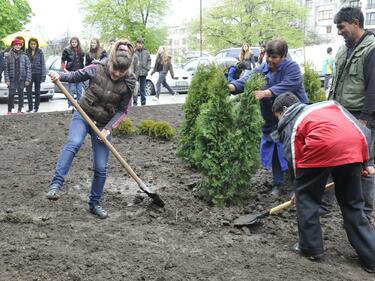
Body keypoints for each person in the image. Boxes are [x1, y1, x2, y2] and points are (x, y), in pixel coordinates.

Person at [272, 92, 375, 273]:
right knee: (353, 205)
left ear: (285, 110)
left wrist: (298, 189)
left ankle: (311, 248)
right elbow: (361, 130)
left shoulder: (292, 120)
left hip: (319, 150)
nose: (279, 121)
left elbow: (293, 157)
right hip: (352, 151)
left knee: (307, 200)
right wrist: (365, 162)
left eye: (278, 117)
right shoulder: (331, 106)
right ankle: (371, 258)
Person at [46, 40, 137, 219]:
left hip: (103, 124)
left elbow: (123, 110)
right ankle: (56, 185)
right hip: (83, 114)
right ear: (111, 62)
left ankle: (94, 204)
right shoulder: (96, 68)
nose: (118, 74)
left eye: (122, 71)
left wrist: (108, 129)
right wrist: (58, 76)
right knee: (74, 142)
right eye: (115, 69)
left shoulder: (129, 83)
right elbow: (74, 76)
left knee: (101, 167)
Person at [228, 39, 308, 196]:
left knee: (294, 151)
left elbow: (288, 85)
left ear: (283, 56)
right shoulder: (263, 69)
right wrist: (233, 86)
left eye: (275, 57)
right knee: (273, 151)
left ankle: (297, 186)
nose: (270, 60)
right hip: (271, 118)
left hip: (293, 117)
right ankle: (278, 184)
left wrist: (266, 92)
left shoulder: (292, 68)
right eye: (268, 56)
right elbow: (248, 80)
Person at [328, 6, 375, 222]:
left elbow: (373, 87)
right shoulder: (342, 50)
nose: (339, 32)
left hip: (361, 117)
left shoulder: (371, 49)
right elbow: (335, 83)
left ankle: (364, 211)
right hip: (340, 115)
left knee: (365, 163)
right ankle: (328, 203)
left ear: (355, 23)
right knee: (332, 158)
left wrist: (364, 120)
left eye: (341, 27)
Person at [3, 38, 31, 115]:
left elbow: (28, 68)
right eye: (16, 44)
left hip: (22, 78)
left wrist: (28, 79)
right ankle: (9, 111)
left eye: (19, 45)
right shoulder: (8, 56)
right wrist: (7, 80)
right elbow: (6, 69)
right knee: (11, 94)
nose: (18, 46)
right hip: (12, 79)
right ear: (13, 45)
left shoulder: (24, 56)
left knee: (21, 94)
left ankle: (19, 110)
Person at [61, 36, 85, 108]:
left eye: (75, 42)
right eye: (72, 42)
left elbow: (82, 61)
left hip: (79, 73)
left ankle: (79, 106)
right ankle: (70, 106)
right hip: (70, 72)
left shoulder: (81, 50)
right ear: (71, 43)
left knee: (79, 91)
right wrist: (64, 69)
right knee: (71, 90)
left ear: (78, 43)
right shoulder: (67, 50)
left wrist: (83, 70)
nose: (74, 43)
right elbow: (62, 60)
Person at [25, 38, 46, 113]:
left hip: (38, 74)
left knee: (37, 91)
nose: (33, 45)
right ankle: (30, 107)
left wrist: (43, 76)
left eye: (34, 44)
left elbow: (43, 64)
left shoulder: (40, 52)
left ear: (37, 44)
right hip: (29, 74)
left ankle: (36, 107)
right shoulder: (26, 52)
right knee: (28, 91)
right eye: (31, 44)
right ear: (29, 44)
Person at [133, 37, 151, 106]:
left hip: (144, 72)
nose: (140, 45)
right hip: (135, 73)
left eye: (141, 43)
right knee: (135, 88)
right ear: (136, 44)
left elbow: (149, 60)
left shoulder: (146, 52)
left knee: (142, 88)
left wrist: (148, 68)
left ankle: (143, 102)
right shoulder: (134, 52)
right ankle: (135, 102)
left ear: (143, 44)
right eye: (138, 43)